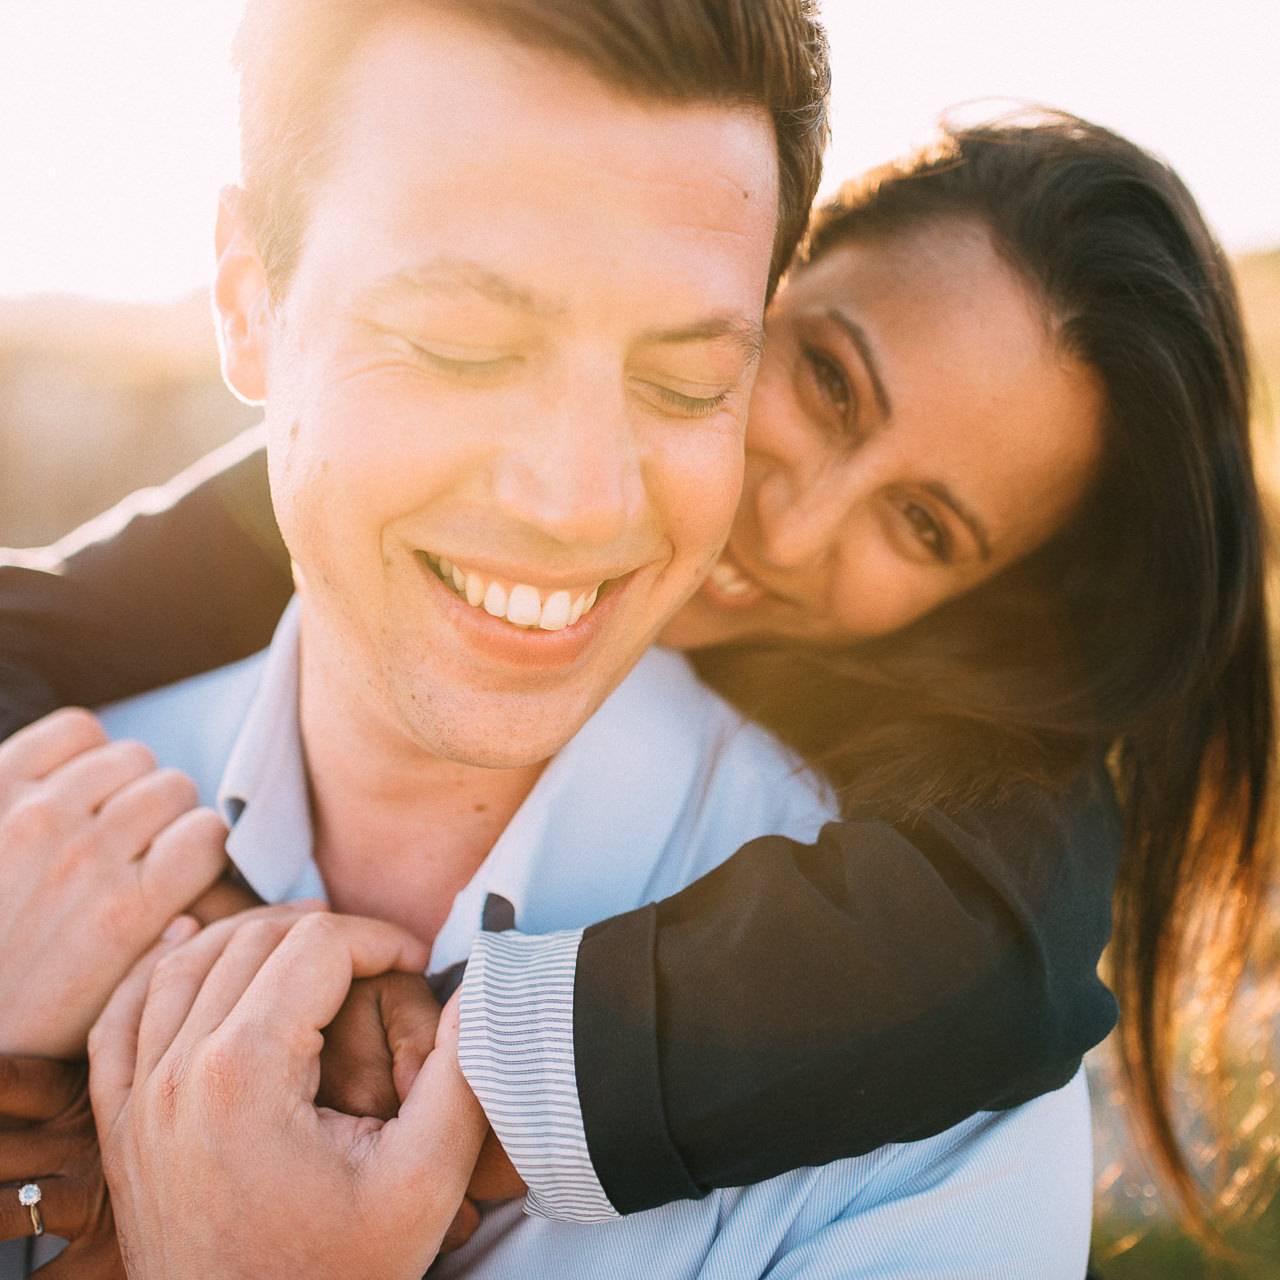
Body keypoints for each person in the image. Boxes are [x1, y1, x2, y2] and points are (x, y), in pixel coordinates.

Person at [0, 61, 1271, 1279]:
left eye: (923, 527)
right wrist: (200, 942)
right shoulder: (332, 489)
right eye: (825, 382)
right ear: (758, 269)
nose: (794, 526)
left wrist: (451, 1074)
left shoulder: (944, 989)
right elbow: (34, 622)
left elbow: (1004, 941)